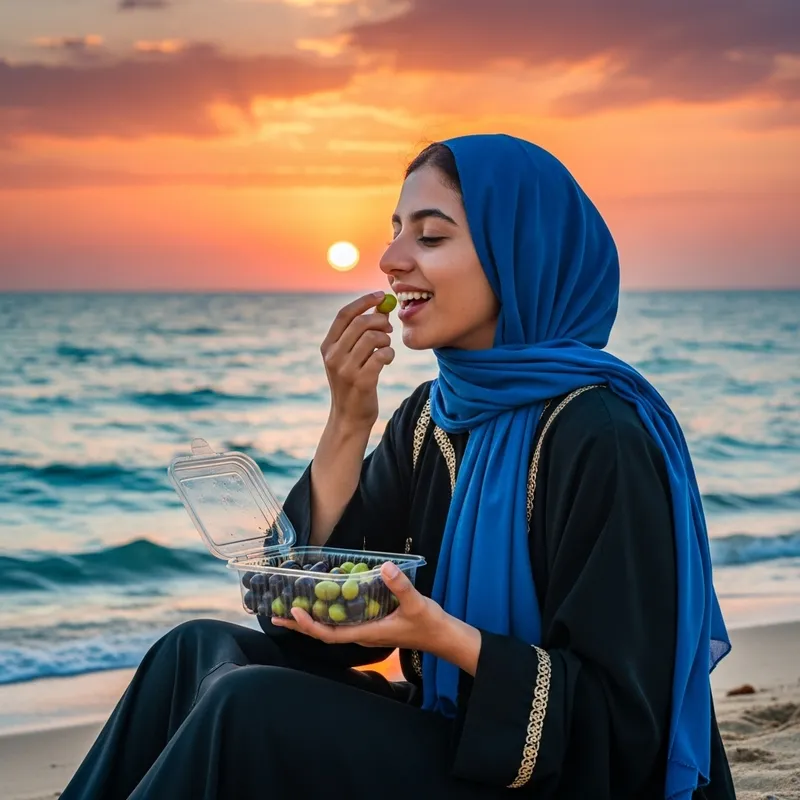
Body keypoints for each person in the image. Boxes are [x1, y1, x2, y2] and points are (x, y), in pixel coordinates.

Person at [61, 134, 736, 800]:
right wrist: (347, 421)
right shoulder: (431, 418)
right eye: (394, 232)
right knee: (194, 653)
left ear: (518, 257)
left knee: (251, 706)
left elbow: (623, 725)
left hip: (556, 774)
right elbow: (315, 630)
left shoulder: (603, 434)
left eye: (431, 237)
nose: (390, 259)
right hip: (458, 734)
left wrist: (443, 636)